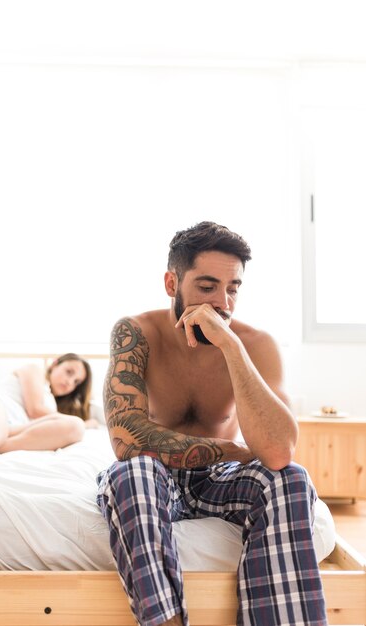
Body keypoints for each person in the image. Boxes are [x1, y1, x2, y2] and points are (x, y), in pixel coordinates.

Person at [97, 221, 328, 626]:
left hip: (220, 481)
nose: (222, 302)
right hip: (156, 474)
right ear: (172, 283)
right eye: (206, 287)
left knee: (291, 478)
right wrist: (233, 450)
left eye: (233, 288)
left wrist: (231, 347)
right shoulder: (136, 332)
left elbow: (277, 451)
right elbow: (126, 440)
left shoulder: (255, 344)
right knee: (131, 472)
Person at [0, 353, 99, 452]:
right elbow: (34, 409)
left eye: (76, 382)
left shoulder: (52, 402)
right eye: (69, 372)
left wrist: (81, 422)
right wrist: (86, 423)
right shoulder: (34, 369)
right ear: (55, 364)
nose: (69, 382)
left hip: (11, 428)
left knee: (75, 427)